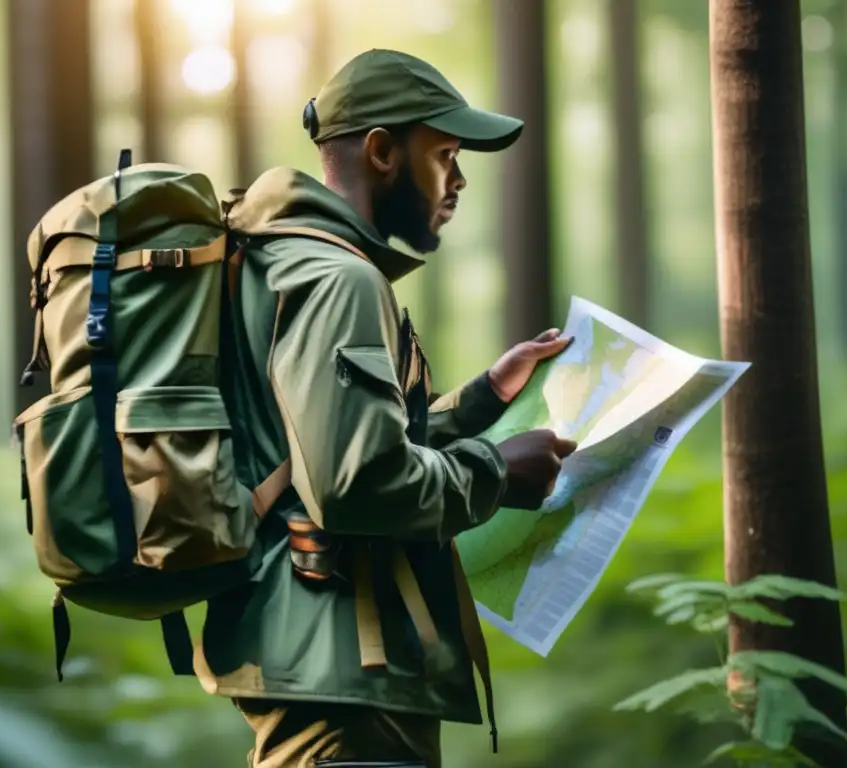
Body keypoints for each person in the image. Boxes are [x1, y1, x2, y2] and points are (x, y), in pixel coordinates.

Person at [198, 49, 577, 768]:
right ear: (380, 151)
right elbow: (355, 484)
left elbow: (319, 445)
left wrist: (482, 399)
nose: (459, 179)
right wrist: (496, 471)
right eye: (445, 154)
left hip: (327, 664)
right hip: (344, 679)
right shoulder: (340, 279)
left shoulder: (283, 261)